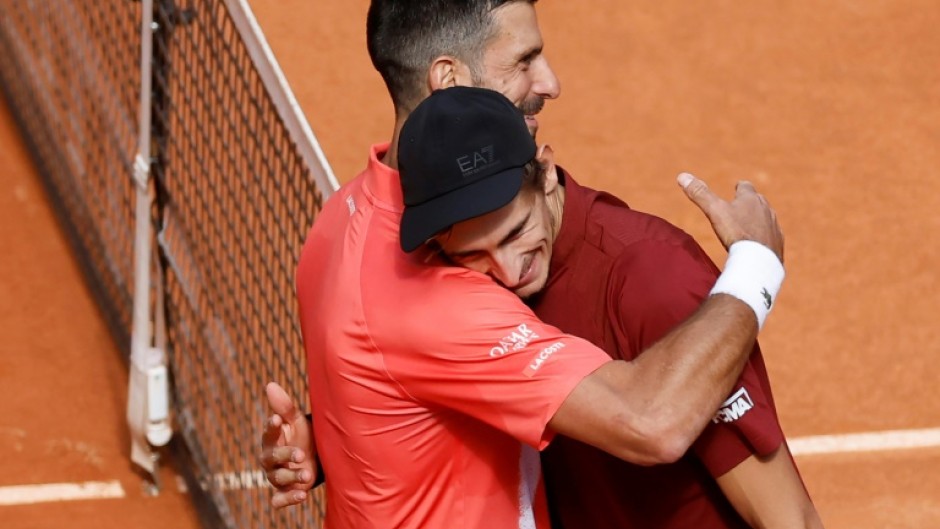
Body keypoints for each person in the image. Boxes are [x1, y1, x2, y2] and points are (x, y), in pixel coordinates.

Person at [258, 2, 798, 528]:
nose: (550, 83)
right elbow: (651, 420)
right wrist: (756, 265)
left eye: (515, 232)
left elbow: (406, 370)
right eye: (521, 60)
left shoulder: (338, 220)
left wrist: (351, 439)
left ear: (542, 172)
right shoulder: (439, 300)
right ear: (449, 79)